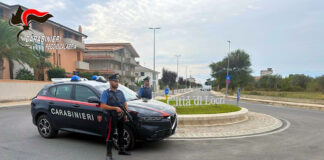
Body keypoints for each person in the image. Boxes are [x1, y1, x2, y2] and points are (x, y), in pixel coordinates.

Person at [100, 74, 131, 160]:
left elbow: (125, 103)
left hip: (120, 116)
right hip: (111, 117)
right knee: (110, 134)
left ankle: (121, 149)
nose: (117, 83)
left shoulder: (120, 92)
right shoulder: (105, 93)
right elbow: (102, 106)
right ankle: (108, 155)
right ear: (110, 82)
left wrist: (126, 114)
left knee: (121, 133)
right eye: (115, 81)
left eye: (117, 81)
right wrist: (115, 108)